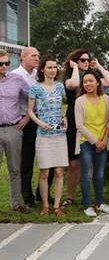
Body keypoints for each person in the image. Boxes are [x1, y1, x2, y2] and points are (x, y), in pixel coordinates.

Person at [61, 49, 109, 210]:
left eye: (88, 60)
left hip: (96, 125)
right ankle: (71, 197)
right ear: (75, 61)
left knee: (95, 170)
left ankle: (97, 201)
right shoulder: (71, 76)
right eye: (82, 60)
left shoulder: (94, 82)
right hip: (76, 121)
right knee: (74, 163)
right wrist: (75, 68)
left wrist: (97, 65)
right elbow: (77, 84)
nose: (86, 62)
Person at [11, 47, 54, 208]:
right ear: (23, 57)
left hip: (42, 120)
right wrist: (26, 118)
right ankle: (27, 196)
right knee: (27, 160)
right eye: (34, 56)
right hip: (24, 123)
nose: (37, 58)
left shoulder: (39, 75)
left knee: (47, 159)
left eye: (38, 55)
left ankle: (42, 192)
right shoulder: (15, 75)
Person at [28, 55, 68, 216]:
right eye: (50, 67)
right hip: (43, 134)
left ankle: (57, 206)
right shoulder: (35, 87)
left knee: (59, 172)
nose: (53, 70)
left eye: (55, 67)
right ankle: (45, 205)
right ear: (42, 69)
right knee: (44, 172)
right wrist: (39, 122)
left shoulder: (60, 87)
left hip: (59, 134)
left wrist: (65, 118)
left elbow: (64, 106)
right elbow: (30, 111)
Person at [75, 69, 109, 217]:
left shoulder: (105, 99)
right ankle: (87, 205)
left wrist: (104, 140)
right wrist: (95, 141)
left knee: (99, 174)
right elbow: (79, 125)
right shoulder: (80, 101)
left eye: (91, 81)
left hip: (102, 142)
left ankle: (100, 203)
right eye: (85, 82)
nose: (88, 84)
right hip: (86, 142)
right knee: (87, 174)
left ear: (98, 82)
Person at [0, 49, 30, 214]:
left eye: (7, 63)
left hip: (13, 129)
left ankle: (17, 203)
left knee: (15, 169)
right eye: (1, 64)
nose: (4, 66)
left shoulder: (17, 80)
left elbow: (32, 98)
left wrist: (26, 118)